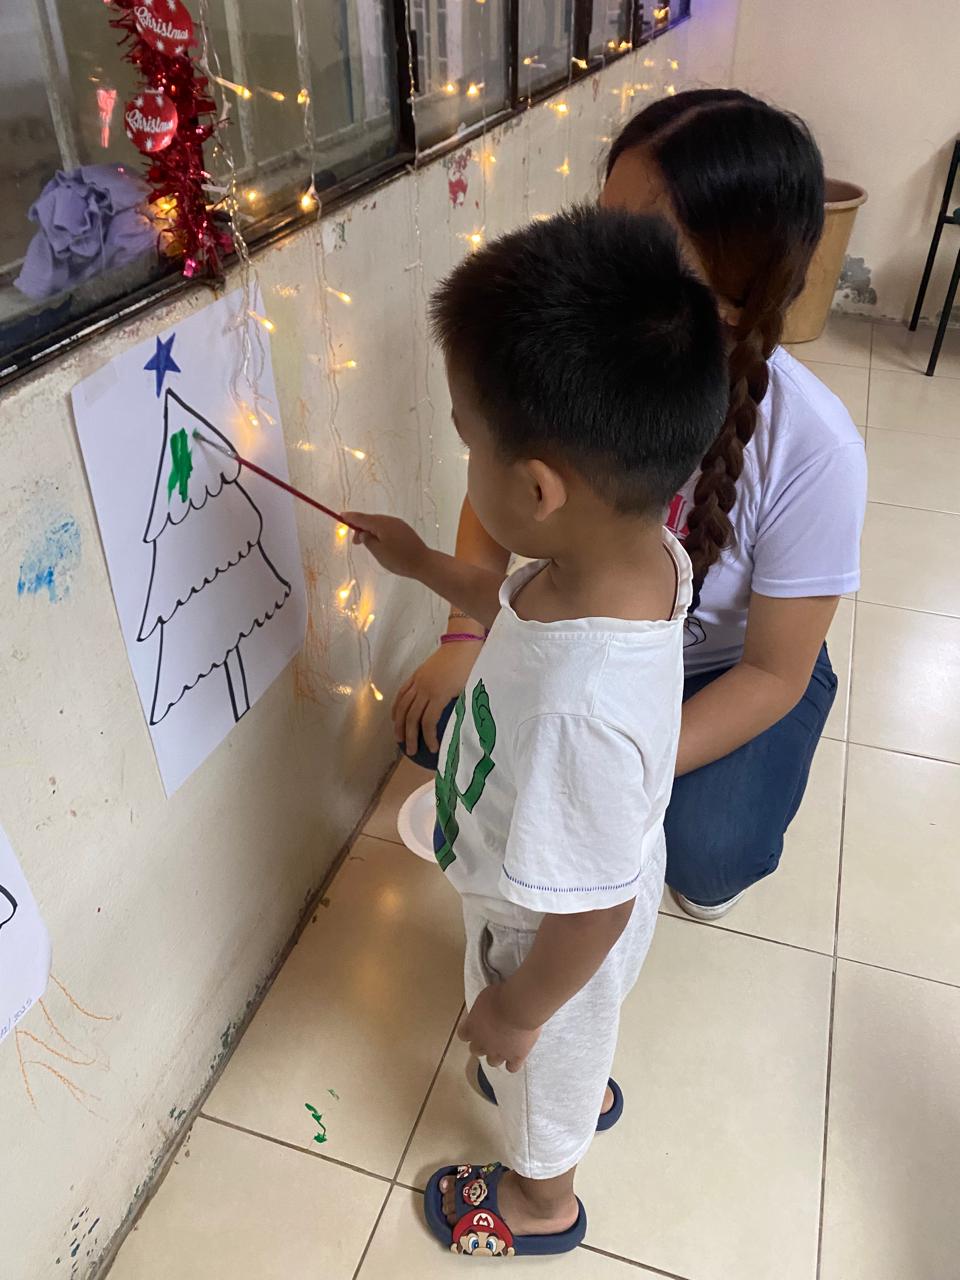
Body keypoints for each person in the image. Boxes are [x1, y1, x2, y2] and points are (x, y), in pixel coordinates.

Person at [345, 206, 729, 1254]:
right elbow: (509, 603)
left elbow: (596, 906)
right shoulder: (622, 560)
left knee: (540, 1070)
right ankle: (572, 1070)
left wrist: (520, 1006)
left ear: (538, 487)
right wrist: (423, 561)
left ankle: (539, 1200)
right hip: (569, 884)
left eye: (469, 442)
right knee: (563, 1041)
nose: (465, 461)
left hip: (548, 926)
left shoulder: (580, 713)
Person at [396, 90, 867, 919]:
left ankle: (703, 826)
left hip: (729, 666)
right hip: (589, 637)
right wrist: (465, 639)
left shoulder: (814, 448)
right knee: (446, 738)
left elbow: (773, 672)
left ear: (736, 287)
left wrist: (617, 769)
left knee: (705, 849)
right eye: (599, 225)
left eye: (639, 244)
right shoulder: (582, 356)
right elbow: (496, 483)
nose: (595, 264)